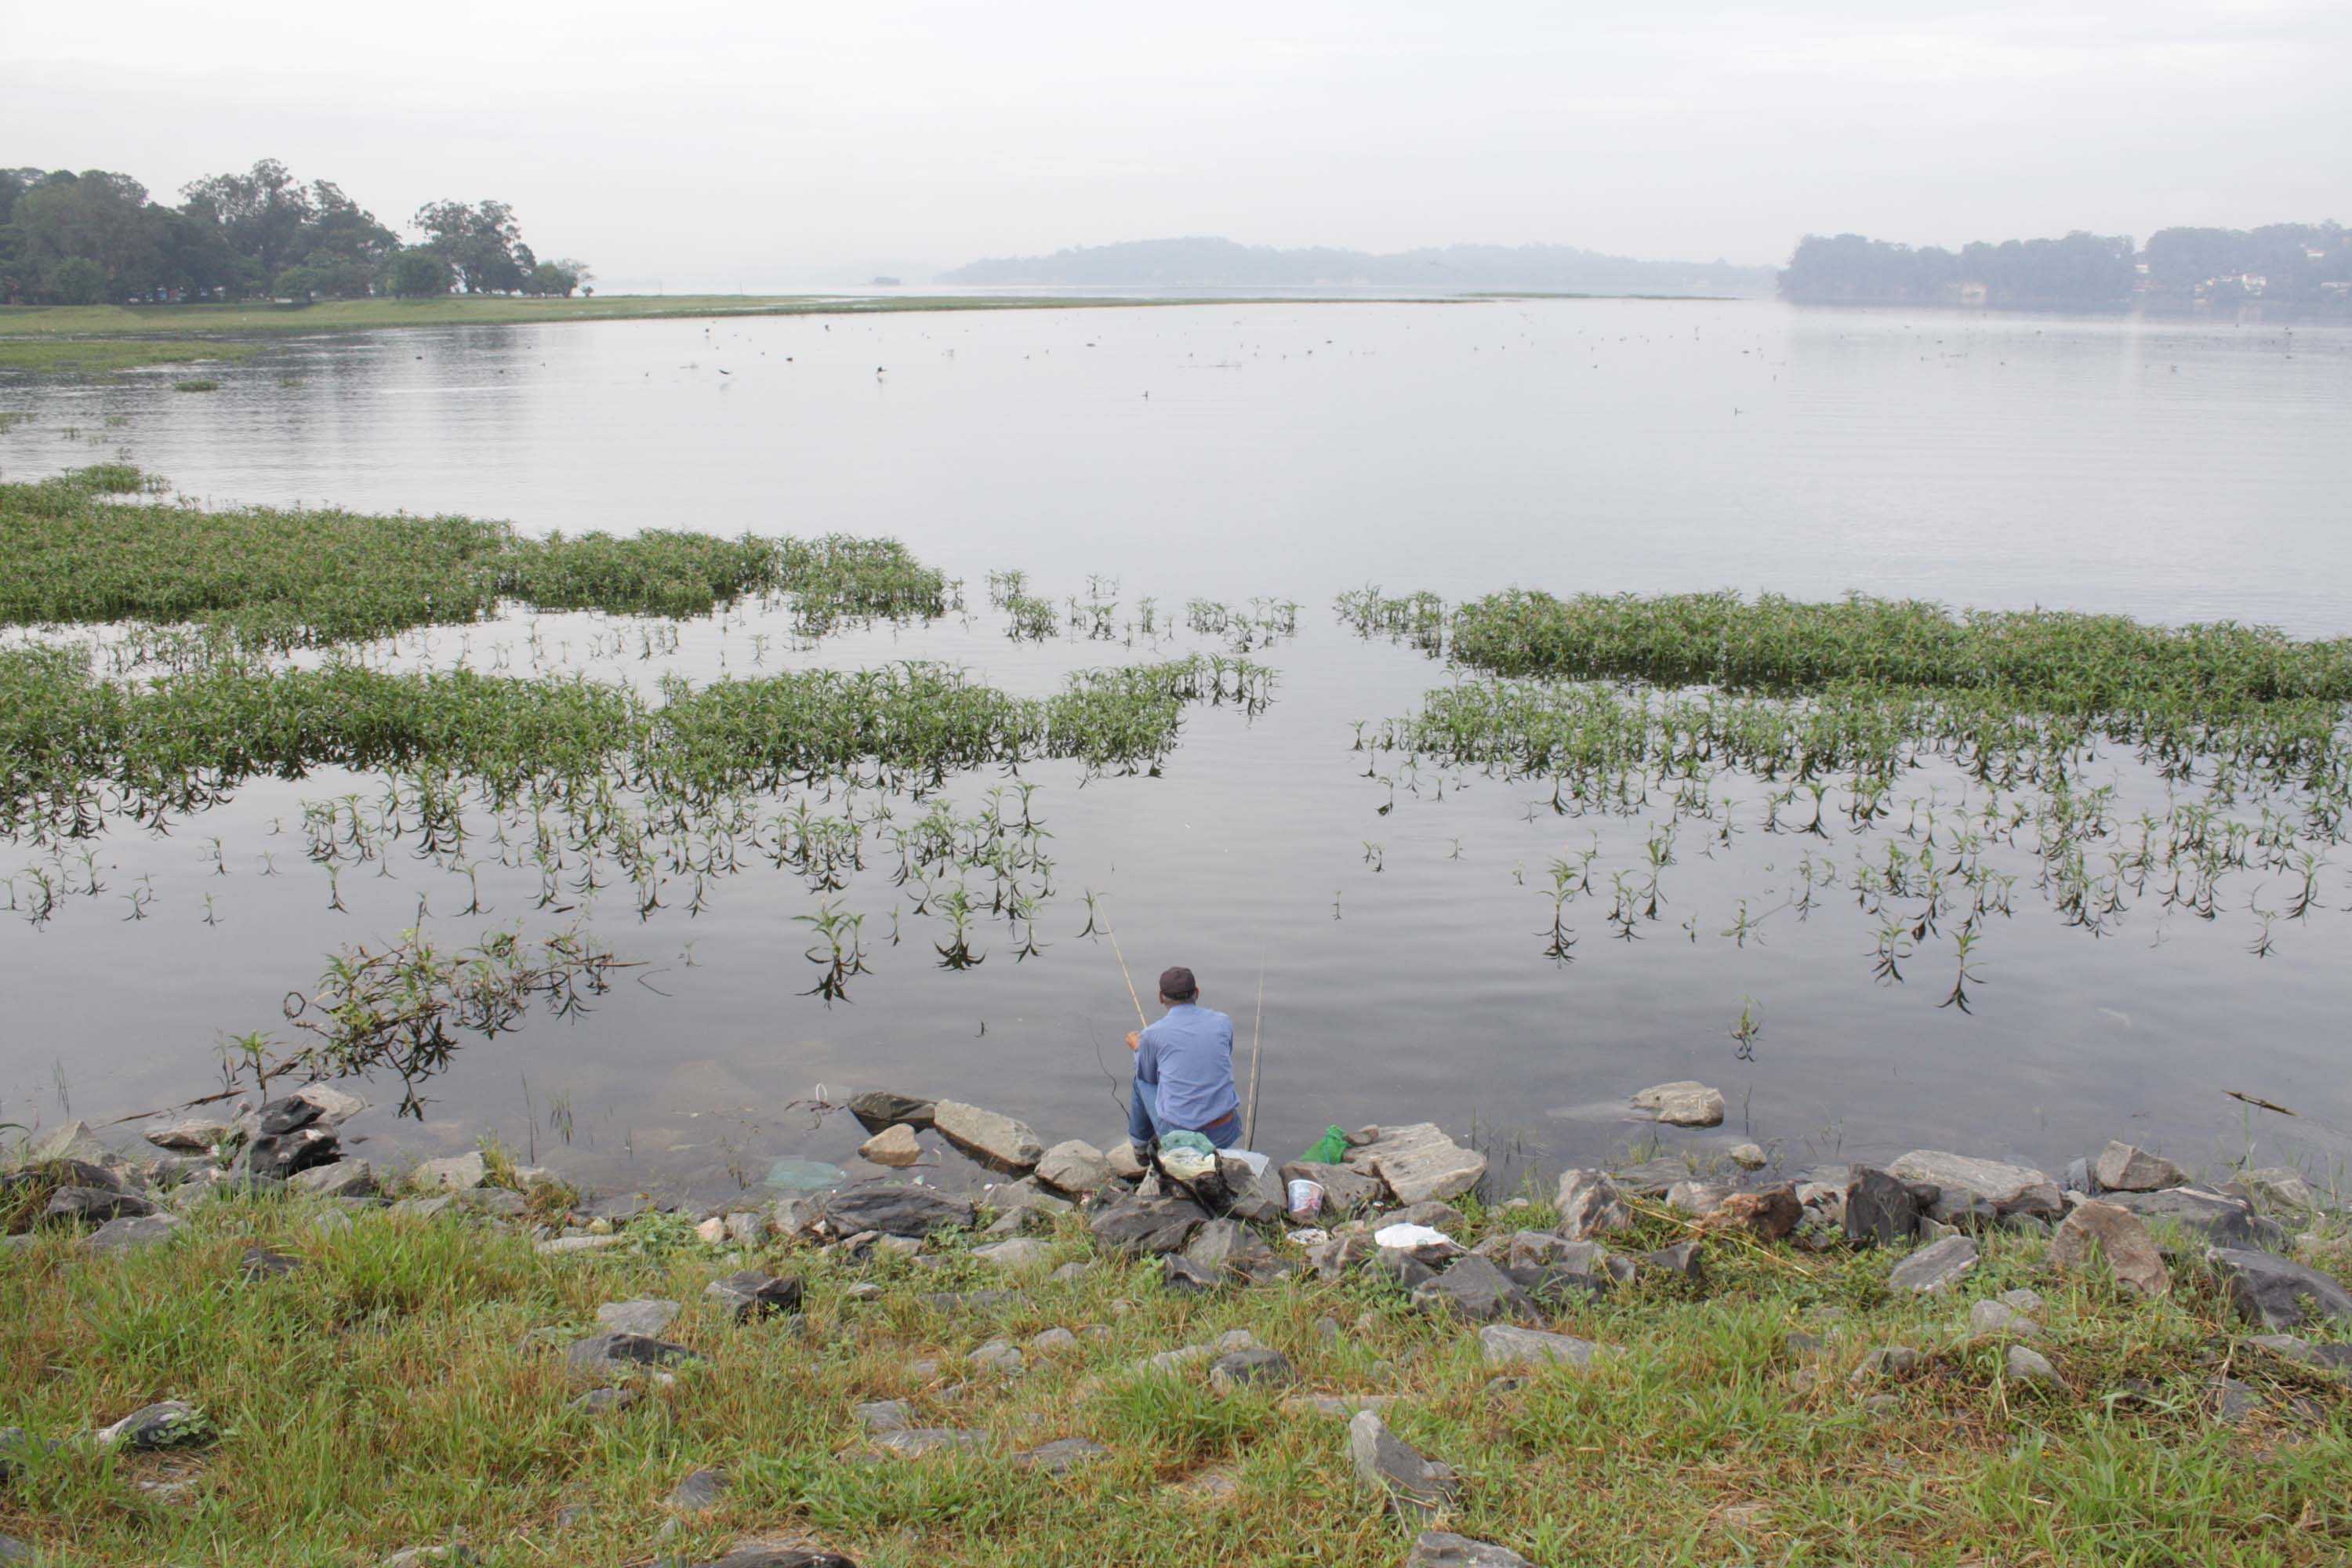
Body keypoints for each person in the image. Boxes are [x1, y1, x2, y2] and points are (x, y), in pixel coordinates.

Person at [1124, 964, 1242, 1150]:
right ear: (1196, 992)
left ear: (1161, 997)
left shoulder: (1152, 1034)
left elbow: (1148, 1077)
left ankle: (1140, 1146)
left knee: (1140, 1081)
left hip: (1182, 1138)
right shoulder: (1223, 1021)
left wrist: (1139, 1048)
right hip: (1225, 1131)